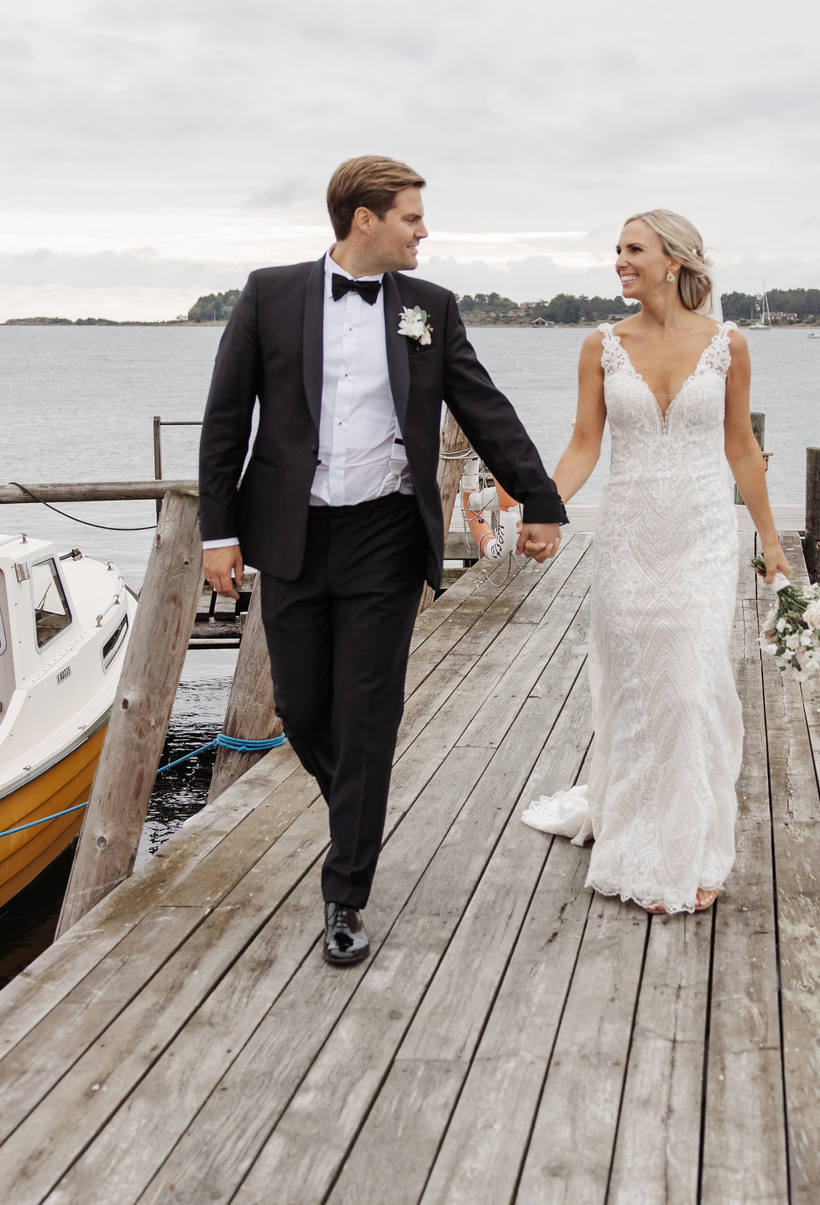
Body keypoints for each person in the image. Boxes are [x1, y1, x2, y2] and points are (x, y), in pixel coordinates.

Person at [199, 156, 566, 966]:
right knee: (299, 707)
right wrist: (216, 533)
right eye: (411, 217)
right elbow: (226, 418)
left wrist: (538, 496)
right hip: (293, 534)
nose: (423, 231)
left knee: (368, 714)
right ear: (364, 218)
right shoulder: (269, 294)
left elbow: (482, 403)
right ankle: (356, 815)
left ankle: (345, 891)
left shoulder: (431, 308)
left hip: (385, 536)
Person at [521, 211, 789, 914]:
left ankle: (696, 850)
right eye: (617, 250)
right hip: (629, 539)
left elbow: (740, 450)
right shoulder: (600, 346)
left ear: (674, 260)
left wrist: (772, 541)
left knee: (693, 686)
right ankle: (639, 839)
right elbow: (584, 443)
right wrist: (543, 508)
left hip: (702, 536)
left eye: (633, 249)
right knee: (640, 689)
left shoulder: (728, 345)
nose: (619, 261)